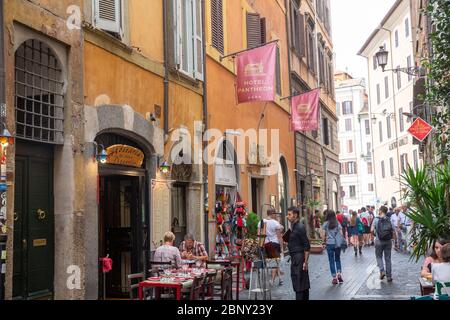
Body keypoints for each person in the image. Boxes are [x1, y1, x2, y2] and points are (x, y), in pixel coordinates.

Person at [285, 207, 310, 300]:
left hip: (299, 259)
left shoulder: (299, 227)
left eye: (289, 214)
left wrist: (305, 262)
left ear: (295, 215)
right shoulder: (295, 226)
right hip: (296, 258)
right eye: (287, 214)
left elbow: (306, 245)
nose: (287, 216)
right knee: (301, 284)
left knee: (300, 284)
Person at [257, 209, 284, 286]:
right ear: (272, 214)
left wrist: (259, 245)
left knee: (273, 262)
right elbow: (279, 237)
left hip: (264, 244)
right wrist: (281, 248)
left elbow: (258, 235)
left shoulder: (261, 222)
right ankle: (272, 280)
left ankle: (280, 279)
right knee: (274, 262)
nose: (275, 215)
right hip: (274, 244)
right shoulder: (275, 223)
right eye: (275, 213)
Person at [372, 206, 395, 282]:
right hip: (388, 241)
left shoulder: (376, 219)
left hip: (379, 241)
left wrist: (375, 235)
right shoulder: (389, 219)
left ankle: (382, 271)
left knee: (379, 257)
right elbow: (393, 230)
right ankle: (389, 276)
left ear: (381, 211)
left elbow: (371, 229)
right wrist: (394, 240)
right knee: (388, 258)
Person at [322, 210, 344, 285]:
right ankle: (339, 274)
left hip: (329, 244)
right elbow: (341, 233)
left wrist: (323, 242)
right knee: (337, 259)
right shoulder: (337, 223)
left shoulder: (325, 223)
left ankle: (334, 277)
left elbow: (323, 235)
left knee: (331, 260)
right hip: (337, 244)